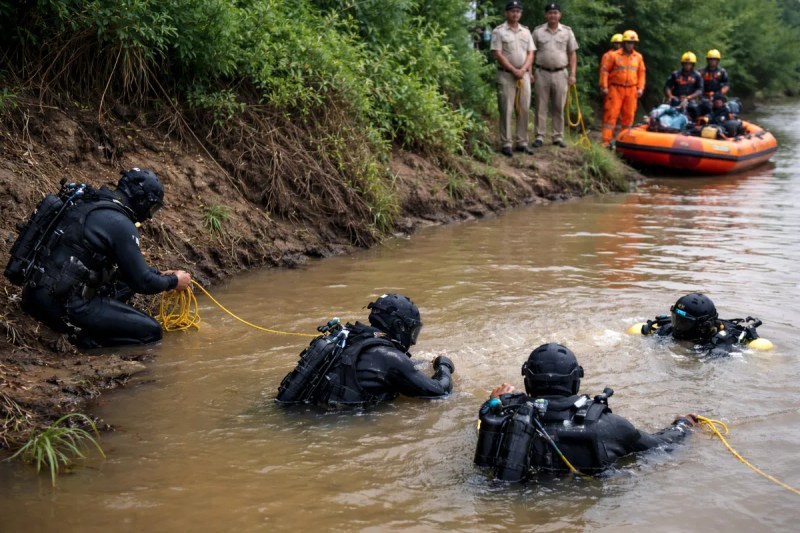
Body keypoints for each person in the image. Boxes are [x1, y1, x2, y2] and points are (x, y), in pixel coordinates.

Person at [19, 168, 192, 348]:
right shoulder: (120, 223)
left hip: (34, 294)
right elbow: (143, 283)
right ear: (141, 200)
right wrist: (174, 281)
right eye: (152, 208)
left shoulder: (90, 202)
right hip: (62, 306)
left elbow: (131, 273)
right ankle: (83, 340)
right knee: (151, 332)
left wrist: (160, 274)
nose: (149, 216)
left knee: (125, 284)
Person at [474, 343, 696, 481]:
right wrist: (683, 424)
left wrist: (494, 401)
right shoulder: (610, 425)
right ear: (575, 381)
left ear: (528, 381)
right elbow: (662, 446)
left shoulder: (504, 418)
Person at [276, 293, 454, 408]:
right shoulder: (390, 358)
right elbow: (439, 391)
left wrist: (421, 363)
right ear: (399, 326)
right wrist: (444, 364)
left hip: (304, 409)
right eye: (412, 331)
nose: (412, 341)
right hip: (334, 426)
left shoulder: (352, 337)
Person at [636, 292, 771, 356]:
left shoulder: (721, 347)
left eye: (683, 322)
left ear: (703, 326)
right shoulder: (665, 331)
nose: (676, 326)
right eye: (675, 318)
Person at [491, 0, 536, 157]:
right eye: (512, 11)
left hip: (523, 75)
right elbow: (497, 53)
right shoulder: (499, 31)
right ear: (506, 13)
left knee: (523, 109)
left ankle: (522, 143)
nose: (515, 13)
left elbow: (531, 53)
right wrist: (513, 69)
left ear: (521, 13)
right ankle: (506, 143)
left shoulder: (526, 31)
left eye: (518, 11)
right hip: (505, 75)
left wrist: (523, 70)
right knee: (506, 109)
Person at [531, 3, 578, 148]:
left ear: (560, 15)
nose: (553, 15)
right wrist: (529, 72)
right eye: (550, 13)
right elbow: (531, 52)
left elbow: (572, 53)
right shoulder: (538, 31)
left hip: (561, 73)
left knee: (559, 106)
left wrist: (573, 74)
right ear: (546, 15)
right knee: (541, 106)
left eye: (555, 12)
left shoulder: (567, 32)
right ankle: (539, 136)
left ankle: (557, 136)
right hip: (541, 72)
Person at [599, 30, 646, 146]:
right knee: (611, 115)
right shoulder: (613, 56)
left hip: (632, 90)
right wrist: (604, 86)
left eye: (632, 42)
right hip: (615, 89)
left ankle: (622, 141)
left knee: (628, 117)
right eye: (628, 42)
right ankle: (606, 141)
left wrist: (641, 88)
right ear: (624, 42)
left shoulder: (638, 57)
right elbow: (604, 71)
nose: (630, 44)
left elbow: (641, 73)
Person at [664, 52, 704, 120]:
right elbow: (667, 87)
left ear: (693, 64)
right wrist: (670, 96)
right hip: (676, 98)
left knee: (695, 109)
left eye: (689, 64)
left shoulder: (697, 75)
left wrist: (689, 97)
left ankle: (693, 123)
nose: (687, 66)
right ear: (682, 64)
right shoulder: (675, 74)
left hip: (691, 99)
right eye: (686, 64)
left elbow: (700, 90)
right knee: (668, 109)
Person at [698, 49, 730, 116]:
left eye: (714, 60)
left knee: (724, 107)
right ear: (707, 60)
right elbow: (696, 85)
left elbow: (726, 85)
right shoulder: (701, 72)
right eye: (710, 59)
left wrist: (719, 95)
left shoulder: (722, 72)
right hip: (703, 96)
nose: (712, 61)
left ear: (717, 61)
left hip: (717, 96)